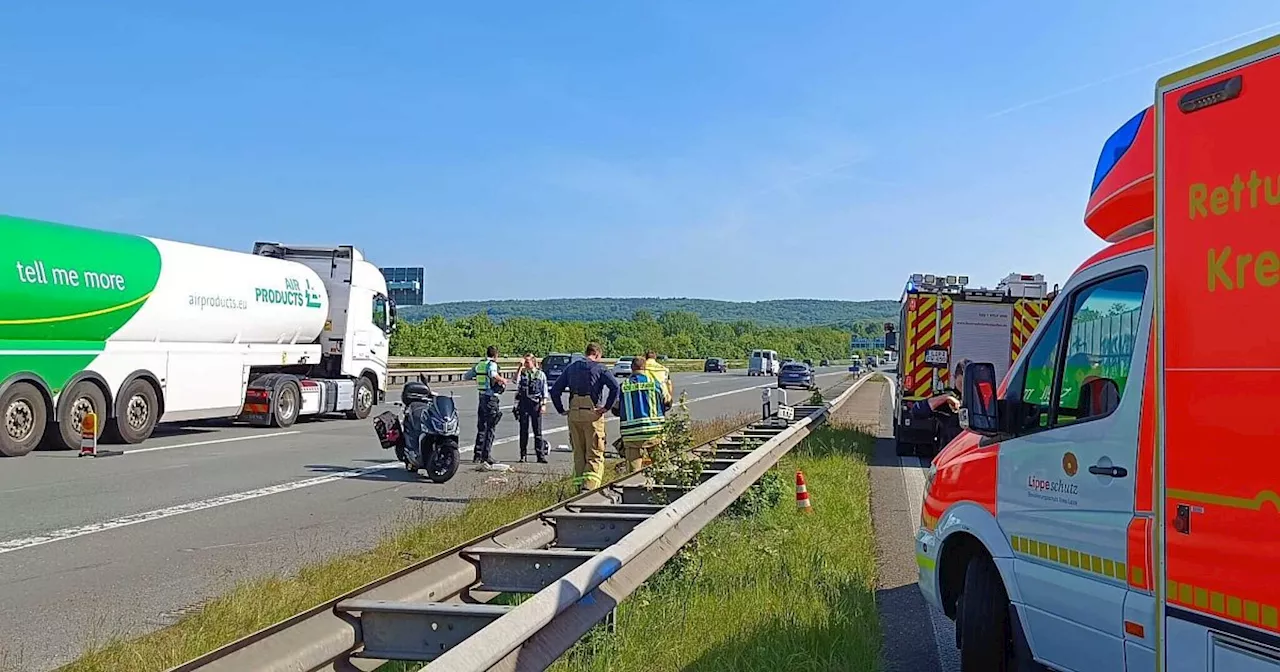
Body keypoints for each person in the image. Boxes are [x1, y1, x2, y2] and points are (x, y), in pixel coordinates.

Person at [550, 343, 621, 491]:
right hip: (592, 413)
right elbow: (615, 387)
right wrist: (606, 407)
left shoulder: (571, 368)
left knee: (579, 453)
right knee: (594, 452)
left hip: (574, 414)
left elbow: (555, 390)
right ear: (597, 354)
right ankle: (589, 488)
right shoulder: (600, 368)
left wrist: (562, 410)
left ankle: (577, 488)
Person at [615, 356, 668, 473]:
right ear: (645, 368)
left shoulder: (623, 386)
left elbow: (615, 409)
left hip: (631, 433)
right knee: (661, 466)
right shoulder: (656, 384)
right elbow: (667, 403)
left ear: (631, 368)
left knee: (633, 472)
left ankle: (635, 486)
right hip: (654, 431)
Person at [908, 358, 970, 450]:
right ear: (954, 378)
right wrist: (945, 398)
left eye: (968, 383)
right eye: (962, 383)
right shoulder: (948, 397)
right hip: (950, 453)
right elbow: (917, 411)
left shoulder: (981, 400)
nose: (965, 387)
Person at [471, 345, 509, 468]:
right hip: (491, 398)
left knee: (481, 426)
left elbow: (468, 375)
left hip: (481, 396)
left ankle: (477, 455)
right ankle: (486, 455)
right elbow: (493, 374)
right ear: (496, 355)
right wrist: (502, 380)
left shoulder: (480, 364)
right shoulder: (492, 364)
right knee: (491, 427)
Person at [514, 353, 550, 463]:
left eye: (527, 362)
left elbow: (544, 391)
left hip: (535, 405)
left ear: (533, 362)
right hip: (524, 405)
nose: (525, 363)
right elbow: (515, 381)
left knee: (537, 431)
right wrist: (519, 367)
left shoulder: (540, 375)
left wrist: (543, 404)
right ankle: (523, 455)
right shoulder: (523, 373)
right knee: (523, 431)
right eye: (524, 362)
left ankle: (540, 456)